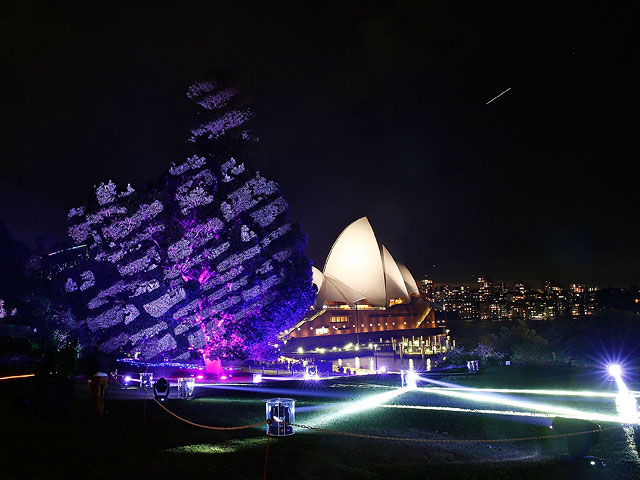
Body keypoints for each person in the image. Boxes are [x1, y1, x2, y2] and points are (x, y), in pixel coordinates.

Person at [86, 346, 108, 418]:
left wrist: (89, 380)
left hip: (96, 376)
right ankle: (102, 412)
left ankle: (97, 414)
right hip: (104, 376)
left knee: (96, 397)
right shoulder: (102, 356)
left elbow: (89, 369)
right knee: (102, 396)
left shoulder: (91, 357)